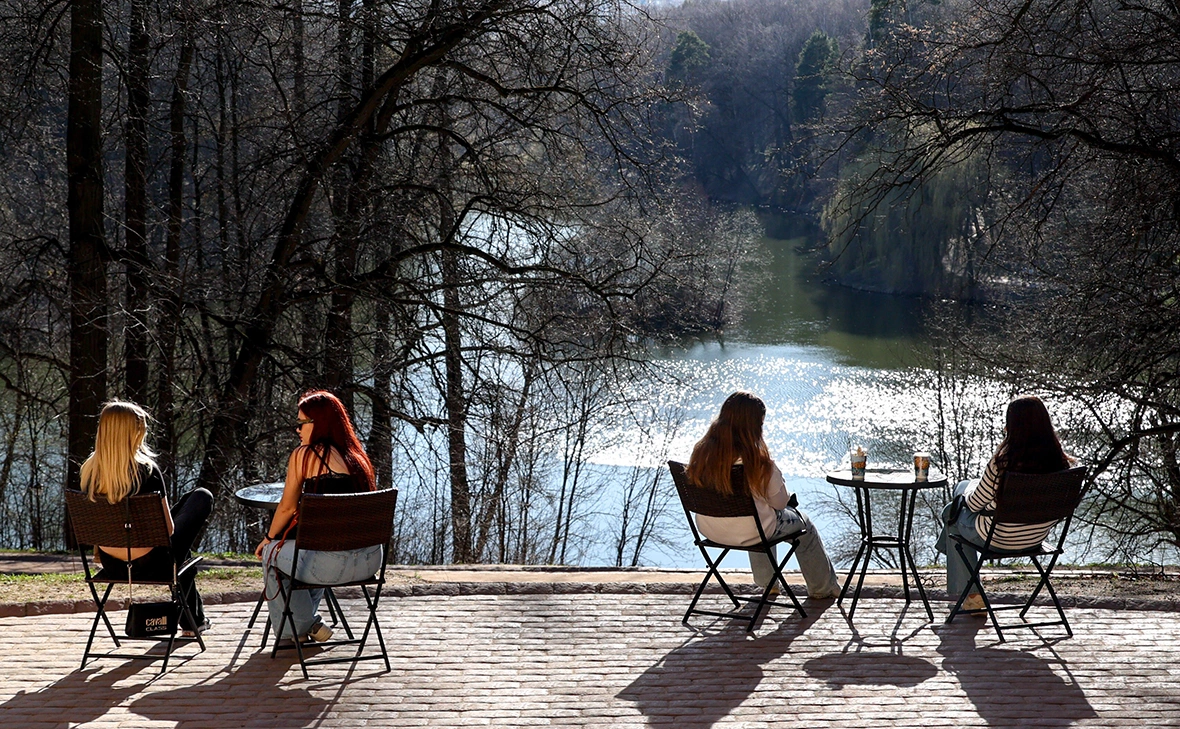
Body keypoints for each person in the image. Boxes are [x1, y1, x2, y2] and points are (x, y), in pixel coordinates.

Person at [687, 391, 841, 599]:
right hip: (752, 532)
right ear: (754, 426)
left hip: (710, 529)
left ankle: (768, 584)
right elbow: (779, 503)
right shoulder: (759, 463)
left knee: (755, 516)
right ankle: (822, 589)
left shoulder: (701, 455)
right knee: (803, 525)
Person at [255, 390, 381, 644]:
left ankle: (299, 630)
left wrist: (268, 538)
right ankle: (303, 626)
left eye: (302, 423)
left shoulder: (304, 455)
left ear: (320, 423)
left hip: (330, 566)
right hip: (370, 561)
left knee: (271, 554)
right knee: (309, 550)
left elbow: (286, 507)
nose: (298, 430)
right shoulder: (358, 459)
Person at [81, 400, 213, 636]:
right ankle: (193, 621)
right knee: (201, 497)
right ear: (133, 433)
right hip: (152, 564)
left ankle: (195, 620)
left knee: (185, 516)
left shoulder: (89, 472)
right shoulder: (147, 471)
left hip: (112, 564)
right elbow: (168, 529)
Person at [936, 395, 1076, 612]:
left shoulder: (1002, 462)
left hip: (999, 538)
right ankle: (968, 590)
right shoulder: (1061, 464)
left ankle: (972, 597)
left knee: (952, 515)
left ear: (1012, 425)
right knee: (955, 507)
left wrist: (965, 492)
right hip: (1035, 538)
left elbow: (974, 504)